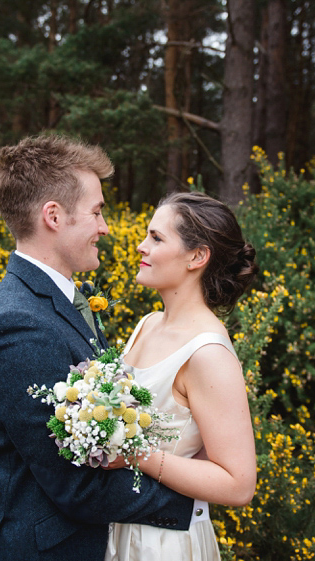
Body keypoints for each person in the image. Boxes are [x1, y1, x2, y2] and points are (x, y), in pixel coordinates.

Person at [0, 135, 194, 561]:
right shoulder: (15, 325)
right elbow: (76, 487)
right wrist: (196, 498)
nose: (105, 227)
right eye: (96, 211)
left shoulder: (67, 298)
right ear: (53, 216)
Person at [104, 191, 258, 561]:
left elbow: (238, 485)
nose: (141, 246)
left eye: (156, 238)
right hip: (119, 526)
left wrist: (136, 454)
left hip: (161, 542)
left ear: (197, 256)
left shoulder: (208, 354)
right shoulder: (148, 324)